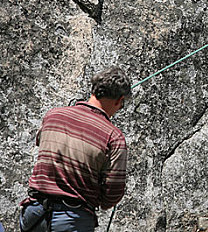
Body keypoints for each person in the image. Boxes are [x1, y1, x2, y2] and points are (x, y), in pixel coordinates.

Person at [19, 66, 131, 232]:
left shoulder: (53, 116)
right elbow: (112, 193)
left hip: (34, 213)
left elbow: (41, 142)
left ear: (94, 90)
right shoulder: (113, 137)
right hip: (72, 218)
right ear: (119, 100)